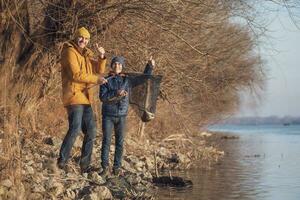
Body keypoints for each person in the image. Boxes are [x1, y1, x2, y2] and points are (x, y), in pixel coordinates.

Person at [57, 27, 107, 173]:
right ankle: (61, 161)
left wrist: (102, 56)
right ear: (76, 37)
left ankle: (84, 166)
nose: (83, 41)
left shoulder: (87, 53)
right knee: (75, 128)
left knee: (91, 130)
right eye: (81, 38)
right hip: (73, 95)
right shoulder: (69, 51)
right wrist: (97, 80)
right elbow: (76, 75)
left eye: (86, 39)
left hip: (85, 97)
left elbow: (98, 71)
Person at [99, 56, 155, 177]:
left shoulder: (128, 80)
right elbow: (102, 97)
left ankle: (117, 167)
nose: (117, 66)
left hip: (122, 116)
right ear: (112, 65)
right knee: (106, 141)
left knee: (120, 142)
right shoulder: (105, 79)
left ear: (122, 66)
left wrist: (149, 66)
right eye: (115, 64)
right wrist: (116, 93)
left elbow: (142, 79)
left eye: (120, 64)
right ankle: (104, 167)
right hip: (108, 115)